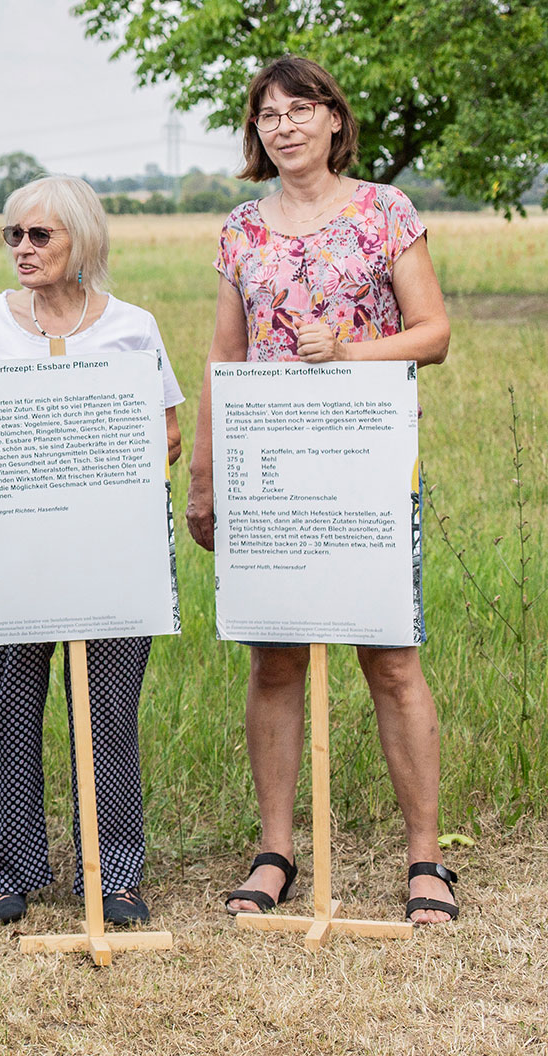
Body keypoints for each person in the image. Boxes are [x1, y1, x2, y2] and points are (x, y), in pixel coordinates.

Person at [187, 56, 456, 924]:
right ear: (255, 134)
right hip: (270, 467)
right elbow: (226, 356)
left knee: (390, 656)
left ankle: (426, 861)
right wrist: (204, 472)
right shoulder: (239, 229)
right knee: (275, 660)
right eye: (268, 114)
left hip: (368, 461)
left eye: (303, 108)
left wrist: (348, 354)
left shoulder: (385, 212)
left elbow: (435, 333)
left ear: (336, 120)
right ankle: (275, 853)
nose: (286, 124)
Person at [0, 176, 184, 927]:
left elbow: (169, 434)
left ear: (82, 239)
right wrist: (32, 450)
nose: (22, 248)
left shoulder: (133, 326)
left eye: (40, 235)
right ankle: (8, 871)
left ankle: (113, 876)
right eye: (13, 235)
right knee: (7, 711)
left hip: (114, 555)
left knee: (107, 713)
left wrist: (91, 457)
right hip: (11, 552)